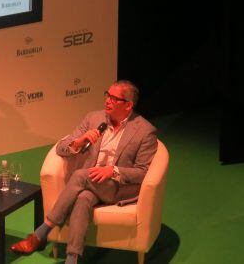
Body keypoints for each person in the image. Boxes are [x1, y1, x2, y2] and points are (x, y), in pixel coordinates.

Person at [11, 80, 158, 264]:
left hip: (118, 188)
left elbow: (143, 172)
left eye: (114, 98)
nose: (107, 101)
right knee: (83, 199)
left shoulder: (145, 131)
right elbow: (61, 148)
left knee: (80, 175)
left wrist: (112, 170)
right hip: (91, 185)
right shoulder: (93, 119)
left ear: (128, 105)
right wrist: (79, 142)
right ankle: (72, 259)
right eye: (107, 95)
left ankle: (40, 234)